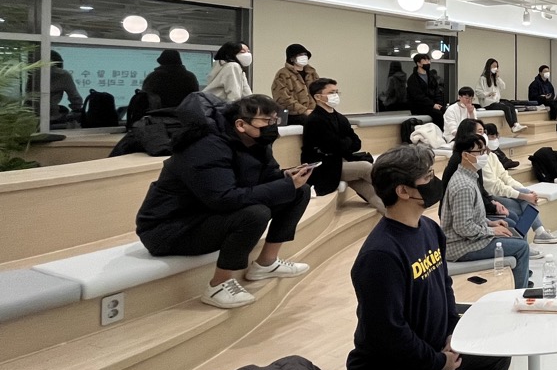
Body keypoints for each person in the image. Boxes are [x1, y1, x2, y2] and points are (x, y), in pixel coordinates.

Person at [346, 144, 518, 370]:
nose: (434, 181)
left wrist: (454, 334)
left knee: (497, 354)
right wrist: (438, 361)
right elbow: (386, 334)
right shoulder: (380, 255)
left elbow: (443, 288)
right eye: (427, 177)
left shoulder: (428, 228)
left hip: (431, 347)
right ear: (403, 190)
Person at [135, 94, 311, 309]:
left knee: (299, 192)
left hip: (206, 214)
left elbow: (263, 178)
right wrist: (284, 185)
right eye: (267, 121)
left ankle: (266, 263)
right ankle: (218, 285)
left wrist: (286, 177)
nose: (272, 126)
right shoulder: (205, 147)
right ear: (241, 124)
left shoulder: (255, 141)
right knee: (255, 213)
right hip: (169, 229)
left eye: (275, 120)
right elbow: (223, 199)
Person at [439, 132, 531, 288]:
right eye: (480, 152)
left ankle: (518, 282)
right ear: (466, 155)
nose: (484, 155)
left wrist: (491, 223)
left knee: (514, 233)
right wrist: (492, 231)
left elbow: (471, 216)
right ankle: (518, 293)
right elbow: (463, 227)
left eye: (485, 151)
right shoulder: (463, 186)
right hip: (461, 247)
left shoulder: (469, 177)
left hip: (469, 239)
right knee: (521, 247)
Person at [302, 78, 384, 214]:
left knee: (370, 192)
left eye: (336, 92)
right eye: (331, 92)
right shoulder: (315, 120)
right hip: (324, 167)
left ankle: (395, 215)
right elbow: (332, 146)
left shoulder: (340, 118)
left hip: (340, 162)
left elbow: (356, 143)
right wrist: (345, 142)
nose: (335, 95)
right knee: (366, 167)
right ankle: (393, 190)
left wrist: (343, 143)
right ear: (317, 97)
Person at [479, 123, 557, 245]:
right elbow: (494, 187)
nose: (494, 139)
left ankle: (530, 240)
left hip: (500, 192)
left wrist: (525, 191)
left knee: (527, 200)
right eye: (491, 136)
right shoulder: (481, 160)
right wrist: (523, 195)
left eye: (495, 136)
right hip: (490, 196)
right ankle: (532, 238)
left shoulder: (493, 156)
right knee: (524, 206)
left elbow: (506, 177)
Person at [475, 58, 527, 133]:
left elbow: (503, 86)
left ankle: (516, 124)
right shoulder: (483, 78)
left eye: (496, 66)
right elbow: (478, 92)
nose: (495, 68)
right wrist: (488, 94)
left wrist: (497, 77)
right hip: (487, 103)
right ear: (489, 66)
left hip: (496, 101)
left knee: (511, 105)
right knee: (506, 108)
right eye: (494, 66)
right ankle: (512, 126)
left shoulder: (495, 79)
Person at [271, 43, 319, 124]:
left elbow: (320, 91)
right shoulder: (283, 74)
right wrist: (304, 110)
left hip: (313, 111)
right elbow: (282, 98)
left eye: (305, 54)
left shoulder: (311, 73)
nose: (303, 57)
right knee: (311, 121)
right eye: (300, 55)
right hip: (292, 114)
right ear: (292, 58)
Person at [407, 54, 446, 127]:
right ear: (418, 63)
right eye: (425, 60)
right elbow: (418, 96)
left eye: (428, 60)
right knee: (438, 114)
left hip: (433, 105)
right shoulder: (413, 79)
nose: (428, 62)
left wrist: (439, 103)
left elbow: (437, 91)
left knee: (446, 111)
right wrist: (433, 105)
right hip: (420, 107)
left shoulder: (431, 77)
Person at [47, 50, 83, 127]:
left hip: (29, 116)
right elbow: (76, 99)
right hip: (52, 118)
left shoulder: (32, 72)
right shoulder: (62, 74)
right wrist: (76, 110)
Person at [529, 64, 557, 129]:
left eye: (548, 71)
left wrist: (550, 96)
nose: (547, 73)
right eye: (545, 71)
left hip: (548, 100)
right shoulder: (534, 84)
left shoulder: (549, 83)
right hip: (540, 101)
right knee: (553, 104)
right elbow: (532, 97)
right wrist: (542, 97)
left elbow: (552, 93)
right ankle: (553, 122)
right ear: (540, 73)